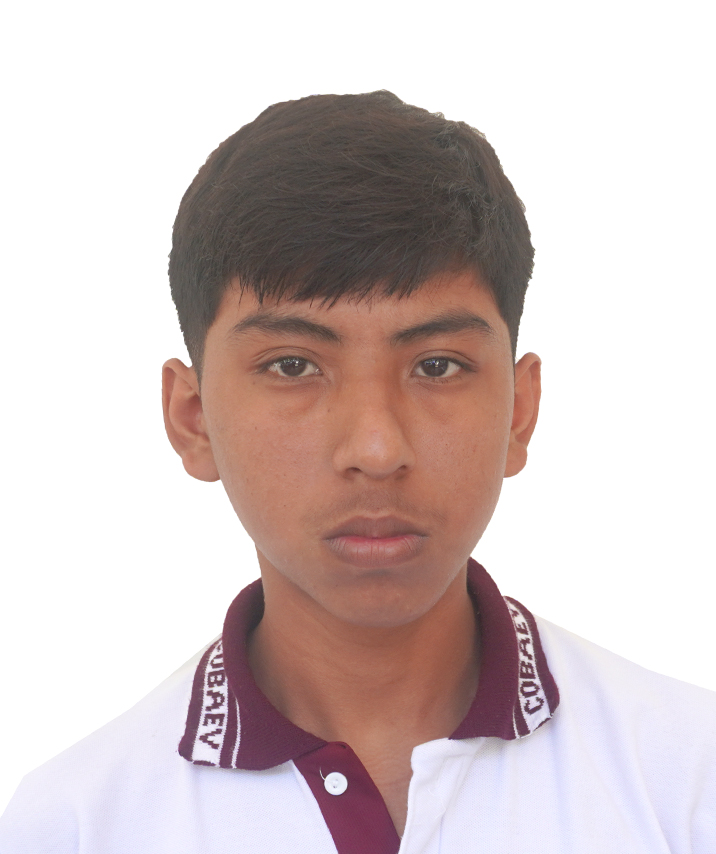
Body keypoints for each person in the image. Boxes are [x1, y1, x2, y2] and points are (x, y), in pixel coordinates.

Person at [1, 90, 714, 853]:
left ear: (520, 410)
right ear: (193, 417)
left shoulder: (687, 785)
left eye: (437, 365)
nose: (376, 449)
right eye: (293, 365)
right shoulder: (74, 827)